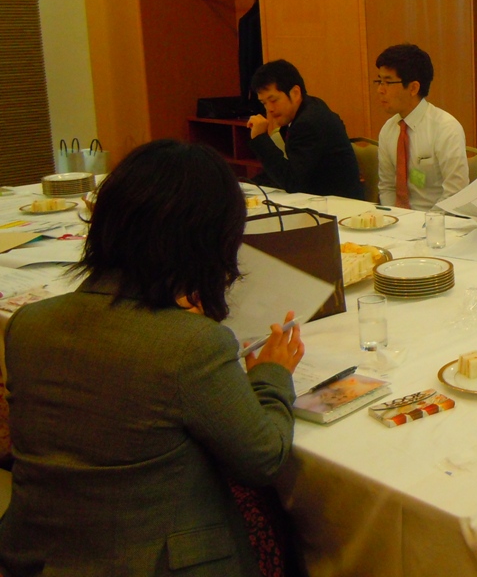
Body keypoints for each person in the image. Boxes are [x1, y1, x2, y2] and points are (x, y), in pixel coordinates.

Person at [0, 139, 306, 576]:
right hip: (152, 562)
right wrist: (272, 374)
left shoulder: (28, 324)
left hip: (37, 557)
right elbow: (264, 458)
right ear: (208, 244)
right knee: (287, 527)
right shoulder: (191, 347)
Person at [248, 59, 364, 199]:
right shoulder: (309, 108)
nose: (269, 109)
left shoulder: (308, 122)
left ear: (295, 93)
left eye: (273, 100)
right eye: (264, 103)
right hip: (321, 199)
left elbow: (293, 182)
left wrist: (260, 139)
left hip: (340, 205)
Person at [375, 44, 469, 210]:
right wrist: (396, 218)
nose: (380, 90)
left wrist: (427, 222)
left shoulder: (445, 128)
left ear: (413, 88)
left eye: (388, 82)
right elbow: (387, 187)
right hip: (398, 220)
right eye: (379, 81)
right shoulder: (388, 130)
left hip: (440, 220)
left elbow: (456, 193)